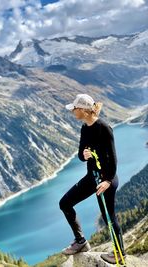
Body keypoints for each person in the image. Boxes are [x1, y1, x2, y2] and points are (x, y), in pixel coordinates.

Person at [59, 94, 125, 264]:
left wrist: (108, 181)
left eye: (75, 108)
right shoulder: (84, 128)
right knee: (65, 203)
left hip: (106, 180)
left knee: (108, 216)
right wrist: (84, 155)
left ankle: (119, 253)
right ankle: (80, 241)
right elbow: (81, 154)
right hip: (92, 177)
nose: (73, 111)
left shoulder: (104, 128)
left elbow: (113, 158)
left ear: (83, 110)